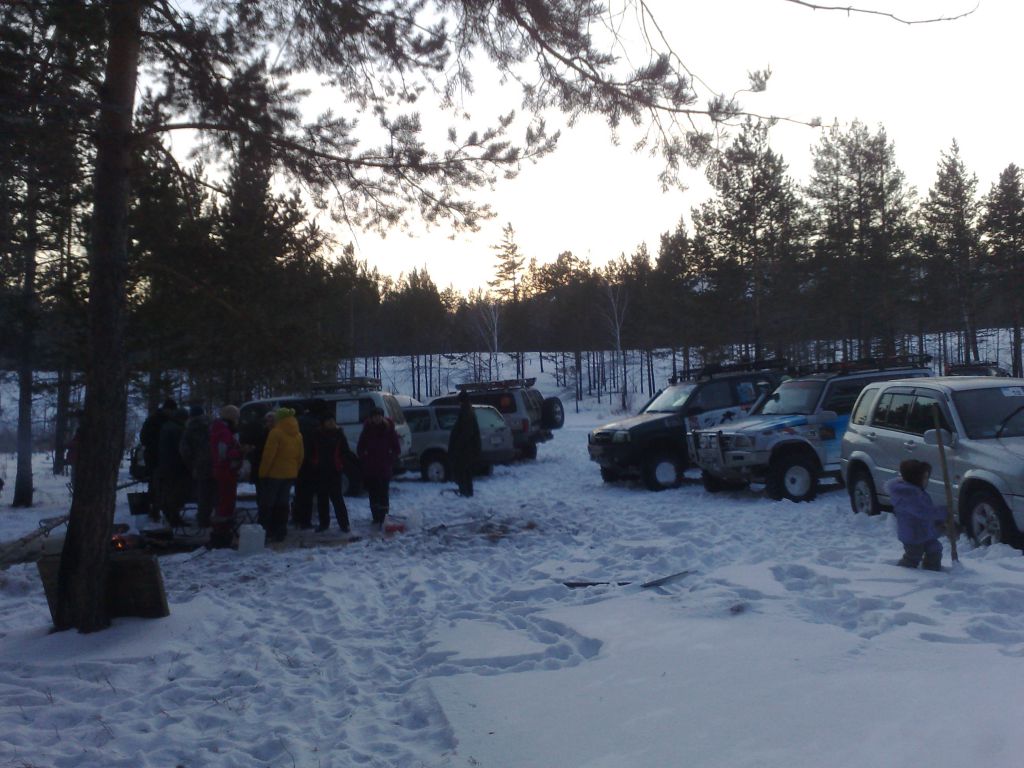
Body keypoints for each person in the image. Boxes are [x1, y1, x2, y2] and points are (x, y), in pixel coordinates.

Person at [884, 459, 948, 571]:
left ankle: (932, 571)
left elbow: (927, 512)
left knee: (935, 549)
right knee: (913, 555)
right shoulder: (908, 495)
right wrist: (943, 512)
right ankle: (901, 572)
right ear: (916, 478)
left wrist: (939, 522)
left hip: (924, 532)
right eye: (925, 477)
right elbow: (924, 512)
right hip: (912, 534)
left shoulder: (918, 492)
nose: (927, 481)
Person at [258, 406, 304, 542]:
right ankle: (281, 530)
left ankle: (265, 530)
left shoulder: (275, 433)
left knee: (268, 503)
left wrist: (263, 473)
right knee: (283, 503)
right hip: (290, 474)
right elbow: (300, 456)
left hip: (274, 474)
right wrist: (295, 470)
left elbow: (269, 456)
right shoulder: (298, 434)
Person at [357, 406, 401, 531]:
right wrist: (365, 457)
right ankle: (376, 517)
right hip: (370, 468)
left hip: (384, 467)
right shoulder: (367, 430)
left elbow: (397, 448)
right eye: (374, 416)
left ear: (382, 417)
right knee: (373, 493)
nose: (376, 419)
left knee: (383, 493)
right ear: (371, 418)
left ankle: (384, 516)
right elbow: (360, 447)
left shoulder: (389, 429)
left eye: (379, 416)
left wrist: (390, 457)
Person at [209, 404, 245, 548]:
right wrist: (240, 452)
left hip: (224, 470)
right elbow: (223, 453)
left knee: (224, 501)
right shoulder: (224, 432)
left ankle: (222, 531)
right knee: (226, 502)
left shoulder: (219, 430)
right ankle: (222, 532)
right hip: (225, 471)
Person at [312, 413, 351, 533]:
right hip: (320, 471)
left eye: (332, 420)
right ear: (323, 423)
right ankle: (324, 524)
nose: (331, 423)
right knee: (322, 499)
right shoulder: (317, 434)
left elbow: (345, 452)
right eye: (328, 420)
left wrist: (341, 463)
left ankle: (344, 524)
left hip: (334, 471)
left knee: (337, 499)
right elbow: (311, 451)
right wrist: (314, 463)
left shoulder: (339, 435)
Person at [139, 398, 177, 519]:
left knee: (163, 484)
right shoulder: (154, 420)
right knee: (155, 484)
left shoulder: (167, 421)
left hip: (163, 457)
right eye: (171, 411)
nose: (172, 413)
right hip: (154, 457)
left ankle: (162, 508)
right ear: (167, 409)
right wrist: (157, 446)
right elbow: (144, 438)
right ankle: (154, 509)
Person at [180, 405, 215, 528]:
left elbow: (185, 451)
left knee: (203, 494)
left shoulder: (190, 429)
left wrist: (191, 465)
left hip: (200, 466)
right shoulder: (213, 426)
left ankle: (203, 519)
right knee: (217, 493)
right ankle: (219, 519)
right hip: (216, 464)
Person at [157, 407, 190, 527]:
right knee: (176, 492)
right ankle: (174, 516)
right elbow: (182, 448)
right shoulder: (178, 429)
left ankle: (169, 513)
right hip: (176, 465)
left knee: (168, 490)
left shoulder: (166, 427)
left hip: (165, 464)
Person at [292, 404, 321, 529]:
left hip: (298, 461)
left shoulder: (297, 422)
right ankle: (305, 521)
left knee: (299, 491)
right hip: (311, 462)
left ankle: (296, 517)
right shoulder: (316, 423)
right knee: (308, 493)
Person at [448, 391, 482, 497]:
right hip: (468, 449)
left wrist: (458, 446)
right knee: (465, 472)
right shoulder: (468, 411)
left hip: (465, 450)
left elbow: (466, 433)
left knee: (463, 471)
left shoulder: (466, 412)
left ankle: (465, 492)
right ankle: (466, 491)